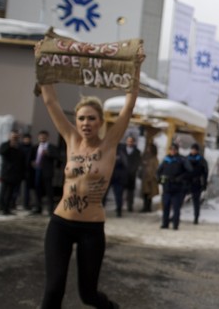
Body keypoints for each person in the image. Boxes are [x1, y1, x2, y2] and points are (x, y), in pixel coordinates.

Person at [36, 42, 144, 309]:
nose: (86, 123)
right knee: (53, 290)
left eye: (92, 118)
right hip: (60, 224)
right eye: (82, 118)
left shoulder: (109, 145)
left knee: (88, 295)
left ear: (100, 122)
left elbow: (129, 106)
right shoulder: (71, 139)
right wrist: (40, 60)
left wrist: (136, 68)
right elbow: (50, 100)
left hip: (91, 229)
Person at [157, 143, 192, 230]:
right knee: (166, 206)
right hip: (167, 187)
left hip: (177, 188)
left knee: (176, 207)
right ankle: (165, 223)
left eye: (174, 149)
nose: (172, 151)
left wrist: (180, 178)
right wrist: (160, 179)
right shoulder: (166, 159)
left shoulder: (182, 160)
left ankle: (175, 224)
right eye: (171, 149)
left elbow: (189, 171)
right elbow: (159, 171)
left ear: (177, 150)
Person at [31, 130, 60, 216]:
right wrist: (32, 163)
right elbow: (31, 157)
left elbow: (58, 157)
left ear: (47, 137)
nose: (42, 138)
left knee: (49, 191)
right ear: (38, 137)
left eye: (44, 137)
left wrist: (49, 153)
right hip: (37, 170)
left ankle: (50, 209)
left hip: (47, 172)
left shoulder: (51, 147)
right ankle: (38, 207)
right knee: (37, 189)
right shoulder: (35, 147)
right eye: (41, 137)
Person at [0, 129, 26, 215]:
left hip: (15, 174)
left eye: (16, 136)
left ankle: (7, 208)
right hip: (6, 173)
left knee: (10, 192)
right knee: (3, 191)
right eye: (13, 136)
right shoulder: (5, 145)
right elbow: (1, 152)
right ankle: (1, 208)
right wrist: (9, 145)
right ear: (9, 136)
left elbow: (22, 159)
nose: (15, 138)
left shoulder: (19, 146)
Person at [184, 142, 208, 224]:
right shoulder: (186, 158)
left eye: (194, 149)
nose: (193, 151)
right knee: (179, 199)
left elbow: (205, 172)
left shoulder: (201, 160)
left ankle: (196, 217)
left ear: (197, 151)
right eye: (192, 149)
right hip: (187, 182)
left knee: (196, 201)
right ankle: (175, 215)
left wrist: (204, 184)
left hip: (196, 183)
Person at [121, 135, 142, 213]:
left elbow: (137, 162)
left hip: (131, 174)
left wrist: (133, 170)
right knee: (121, 191)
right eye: (128, 141)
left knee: (130, 191)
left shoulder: (137, 152)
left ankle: (130, 206)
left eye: (131, 141)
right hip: (122, 173)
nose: (130, 142)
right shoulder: (122, 150)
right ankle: (120, 205)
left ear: (133, 142)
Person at [140, 142, 159, 213]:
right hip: (145, 178)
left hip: (151, 179)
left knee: (149, 194)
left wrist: (152, 176)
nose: (148, 149)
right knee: (145, 193)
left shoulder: (154, 158)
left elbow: (155, 168)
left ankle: (148, 207)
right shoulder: (145, 157)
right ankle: (145, 207)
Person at [20, 132, 35, 211]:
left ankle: (26, 204)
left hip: (29, 171)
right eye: (25, 139)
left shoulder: (32, 148)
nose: (26, 140)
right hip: (19, 170)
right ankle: (12, 203)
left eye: (28, 139)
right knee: (16, 188)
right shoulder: (19, 147)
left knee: (27, 189)